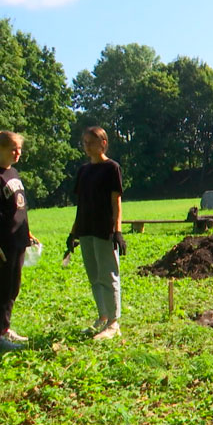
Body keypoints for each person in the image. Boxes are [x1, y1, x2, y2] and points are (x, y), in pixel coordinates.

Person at [0, 129, 38, 352]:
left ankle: (5, 329)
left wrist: (28, 232)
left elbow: (20, 207)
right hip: (2, 240)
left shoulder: (13, 172)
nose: (18, 153)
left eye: (20, 148)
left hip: (18, 238)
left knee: (13, 286)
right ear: (1, 148)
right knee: (0, 288)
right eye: (13, 148)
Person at [67, 126, 126, 341]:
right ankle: (102, 317)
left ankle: (113, 323)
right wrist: (73, 233)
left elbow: (116, 202)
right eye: (84, 142)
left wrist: (117, 231)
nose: (87, 146)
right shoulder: (83, 171)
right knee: (94, 277)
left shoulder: (112, 168)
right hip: (86, 230)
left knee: (109, 276)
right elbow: (81, 204)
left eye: (90, 142)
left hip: (104, 230)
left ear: (103, 143)